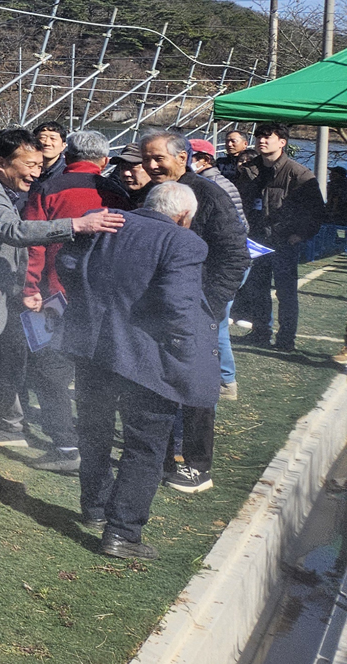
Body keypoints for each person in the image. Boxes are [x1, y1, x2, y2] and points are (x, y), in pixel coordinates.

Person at [0, 128, 123, 501]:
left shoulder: (10, 192)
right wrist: (77, 225)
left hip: (1, 310)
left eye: (41, 163)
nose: (37, 171)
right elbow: (12, 231)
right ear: (1, 163)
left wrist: (23, 292)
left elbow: (3, 252)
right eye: (29, 164)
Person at [59, 180, 217, 561]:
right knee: (144, 446)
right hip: (146, 359)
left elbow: (66, 265)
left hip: (93, 348)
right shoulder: (183, 242)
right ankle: (123, 532)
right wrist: (182, 348)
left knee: (93, 431)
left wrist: (93, 308)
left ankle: (95, 508)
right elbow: (178, 304)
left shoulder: (106, 222)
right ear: (184, 216)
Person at [139, 130, 249, 495]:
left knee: (197, 389)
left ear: (182, 157)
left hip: (196, 309)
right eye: (147, 158)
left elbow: (235, 255)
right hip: (155, 308)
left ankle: (198, 466)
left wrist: (209, 306)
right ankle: (162, 457)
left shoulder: (207, 194)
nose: (151, 165)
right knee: (157, 385)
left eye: (159, 158)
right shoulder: (147, 194)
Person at [18, 130, 125, 475]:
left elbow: (32, 241)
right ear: (104, 161)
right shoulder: (116, 191)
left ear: (68, 153)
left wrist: (29, 285)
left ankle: (65, 443)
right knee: (95, 374)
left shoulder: (48, 188)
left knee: (49, 370)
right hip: (104, 295)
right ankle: (96, 445)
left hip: (55, 291)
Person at [234, 123, 325, 349]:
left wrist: (299, 234)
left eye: (267, 137)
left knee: (286, 293)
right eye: (259, 137)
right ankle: (260, 332)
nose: (261, 141)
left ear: (282, 142)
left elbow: (316, 210)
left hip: (284, 242)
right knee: (257, 288)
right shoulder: (249, 170)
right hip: (255, 240)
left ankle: (286, 340)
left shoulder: (299, 174)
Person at [190, 138, 247, 402]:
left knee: (218, 325)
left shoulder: (213, 187)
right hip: (223, 263)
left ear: (204, 160)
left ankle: (226, 381)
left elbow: (236, 229)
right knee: (219, 325)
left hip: (218, 266)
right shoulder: (222, 183)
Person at [34, 121, 69, 186]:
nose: (47, 143)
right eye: (42, 138)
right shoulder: (24, 170)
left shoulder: (67, 173)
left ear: (63, 146)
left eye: (53, 139)